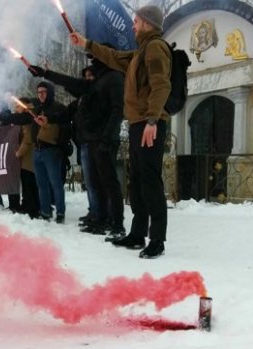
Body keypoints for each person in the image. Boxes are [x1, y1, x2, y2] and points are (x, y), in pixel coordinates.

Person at [69, 4, 171, 259]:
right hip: (139, 123)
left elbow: (161, 85)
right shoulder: (140, 51)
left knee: (150, 182)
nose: (133, 25)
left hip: (150, 124)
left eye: (136, 21)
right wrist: (87, 44)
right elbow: (113, 57)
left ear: (147, 23)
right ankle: (137, 233)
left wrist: (152, 121)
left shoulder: (156, 46)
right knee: (136, 181)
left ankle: (157, 239)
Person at [29, 50, 125, 241]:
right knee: (95, 183)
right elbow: (72, 90)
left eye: (95, 56)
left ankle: (117, 223)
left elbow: (117, 111)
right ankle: (100, 218)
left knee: (109, 184)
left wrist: (107, 139)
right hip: (91, 141)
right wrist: (46, 75)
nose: (91, 61)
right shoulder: (93, 87)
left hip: (104, 141)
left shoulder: (112, 79)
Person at [0, 82, 70, 223]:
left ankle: (60, 212)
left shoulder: (59, 108)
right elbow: (22, 118)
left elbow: (66, 127)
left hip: (52, 150)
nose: (41, 94)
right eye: (39, 92)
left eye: (44, 91)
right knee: (41, 184)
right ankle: (45, 212)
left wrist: (61, 146)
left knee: (55, 183)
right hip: (38, 150)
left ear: (50, 92)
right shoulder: (36, 110)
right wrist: (4, 117)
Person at [5, 97, 40, 218]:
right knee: (27, 183)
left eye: (18, 106)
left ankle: (31, 208)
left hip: (28, 157)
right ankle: (28, 206)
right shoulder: (22, 119)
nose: (16, 108)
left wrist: (18, 153)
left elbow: (28, 138)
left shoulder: (27, 119)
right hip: (25, 157)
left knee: (29, 182)